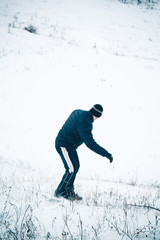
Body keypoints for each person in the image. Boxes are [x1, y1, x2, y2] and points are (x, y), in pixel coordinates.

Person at [54, 104, 113, 201]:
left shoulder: (79, 112)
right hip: (63, 144)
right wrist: (106, 154)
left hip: (70, 146)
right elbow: (90, 143)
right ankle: (61, 192)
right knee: (71, 169)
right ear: (97, 116)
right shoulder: (86, 123)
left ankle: (69, 191)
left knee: (76, 166)